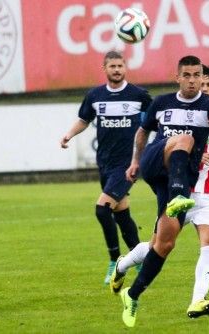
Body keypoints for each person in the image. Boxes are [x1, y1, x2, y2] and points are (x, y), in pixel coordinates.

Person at [116, 55, 209, 327]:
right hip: (161, 166)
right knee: (183, 139)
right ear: (178, 77)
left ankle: (141, 291)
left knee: (165, 245)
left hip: (197, 190)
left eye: (199, 77)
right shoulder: (162, 103)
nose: (195, 82)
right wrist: (135, 162)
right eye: (187, 76)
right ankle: (177, 199)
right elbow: (143, 132)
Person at [60, 51, 152, 285]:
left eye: (120, 65)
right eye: (112, 66)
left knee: (102, 210)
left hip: (129, 163)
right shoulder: (95, 96)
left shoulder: (138, 95)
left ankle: (114, 261)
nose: (117, 70)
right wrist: (68, 135)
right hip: (105, 163)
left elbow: (156, 117)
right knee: (121, 214)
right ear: (105, 69)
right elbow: (84, 120)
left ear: (125, 67)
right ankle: (140, 258)